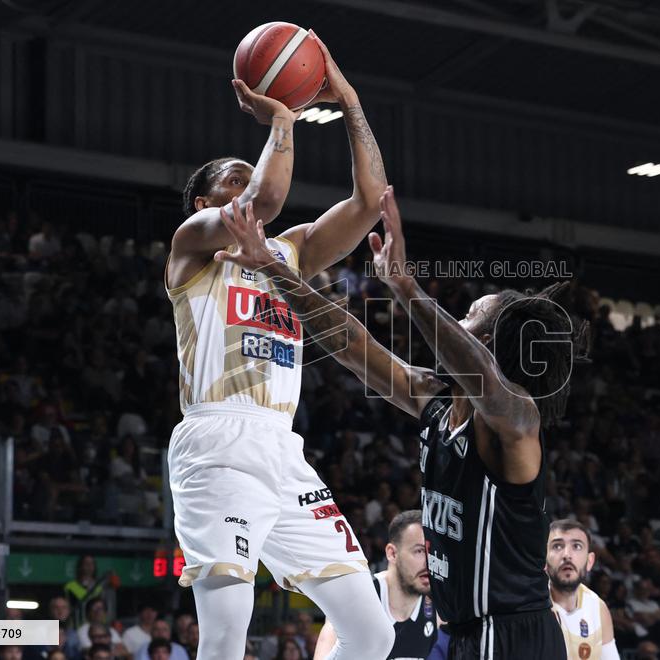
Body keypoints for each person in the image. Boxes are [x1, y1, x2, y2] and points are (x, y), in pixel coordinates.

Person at [216, 186, 582, 657]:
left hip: (513, 633)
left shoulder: (515, 420)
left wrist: (407, 288)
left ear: (489, 343)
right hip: (469, 634)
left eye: (469, 317)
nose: (456, 320)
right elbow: (351, 342)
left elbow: (487, 383)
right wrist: (273, 269)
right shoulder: (435, 402)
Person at [165, 32, 392, 660]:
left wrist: (348, 101)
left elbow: (371, 201)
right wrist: (284, 119)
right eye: (234, 184)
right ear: (207, 204)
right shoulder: (193, 249)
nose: (250, 192)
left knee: (373, 635)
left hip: (282, 452)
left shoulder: (289, 252)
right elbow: (262, 198)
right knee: (226, 633)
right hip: (218, 445)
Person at [314, 510, 441, 660]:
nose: (430, 562)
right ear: (392, 553)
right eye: (419, 551)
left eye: (432, 552)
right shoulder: (354, 603)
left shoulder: (436, 611)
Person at [545, 520, 619, 660]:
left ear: (589, 562)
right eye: (557, 546)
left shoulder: (598, 608)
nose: (567, 554)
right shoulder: (529, 606)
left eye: (577, 546)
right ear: (544, 559)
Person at [63, 555, 108, 629]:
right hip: (76, 625)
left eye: (92, 563)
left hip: (96, 626)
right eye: (86, 563)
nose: (89, 566)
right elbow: (67, 608)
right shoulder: (70, 586)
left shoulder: (99, 588)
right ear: (80, 566)